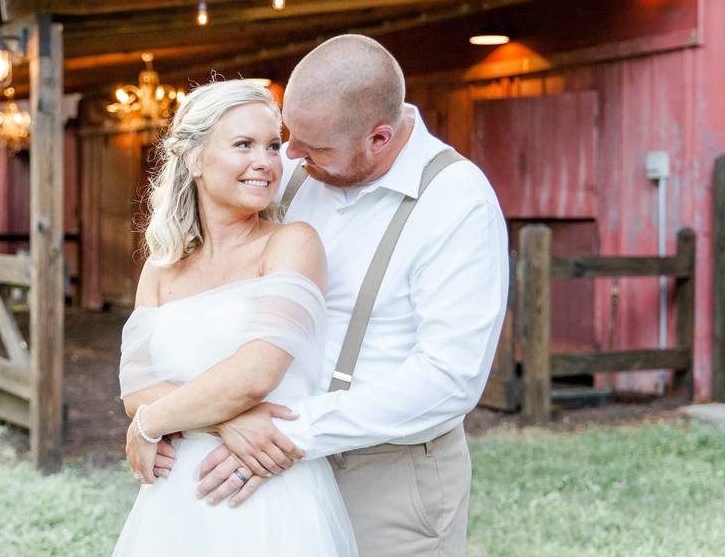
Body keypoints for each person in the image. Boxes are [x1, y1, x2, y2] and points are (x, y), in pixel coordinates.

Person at [190, 34, 509, 556]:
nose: (289, 155)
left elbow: (451, 377)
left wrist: (292, 433)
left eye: (312, 148)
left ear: (379, 139)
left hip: (389, 479)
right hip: (269, 465)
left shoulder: (456, 201)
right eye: (287, 137)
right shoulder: (291, 173)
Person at [111, 79, 357, 556]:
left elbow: (256, 373)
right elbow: (135, 388)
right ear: (194, 158)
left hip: (267, 493)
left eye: (271, 145)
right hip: (175, 498)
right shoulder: (161, 267)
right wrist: (227, 422)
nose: (265, 161)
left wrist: (149, 425)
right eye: (243, 145)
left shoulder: (291, 243)